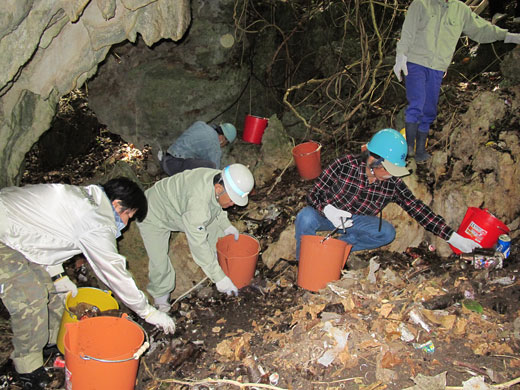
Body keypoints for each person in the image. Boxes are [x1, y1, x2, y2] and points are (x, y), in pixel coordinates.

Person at [0, 177, 175, 389]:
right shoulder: (95, 218)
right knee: (31, 299)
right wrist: (147, 311)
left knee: (52, 296)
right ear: (116, 204)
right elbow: (113, 271)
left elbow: (46, 235)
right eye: (128, 214)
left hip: (17, 232)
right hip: (4, 233)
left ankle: (47, 343)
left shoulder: (88, 199)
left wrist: (58, 277)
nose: (127, 222)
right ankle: (27, 367)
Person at [295, 128, 481, 259]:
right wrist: (329, 210)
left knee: (386, 233)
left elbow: (418, 209)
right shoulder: (344, 165)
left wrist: (453, 237)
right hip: (327, 215)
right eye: (388, 169)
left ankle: (338, 248)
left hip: (354, 221)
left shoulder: (392, 184)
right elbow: (314, 195)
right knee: (305, 217)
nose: (392, 175)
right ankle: (304, 260)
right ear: (374, 160)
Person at [393, 0, 520, 162]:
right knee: (417, 104)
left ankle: (420, 151)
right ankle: (409, 147)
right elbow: (408, 32)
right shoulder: (420, 4)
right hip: (415, 63)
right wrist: (401, 55)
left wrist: (508, 36)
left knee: (429, 109)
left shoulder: (460, 9)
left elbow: (480, 29)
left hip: (437, 67)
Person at [137, 164, 254, 312]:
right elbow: (198, 245)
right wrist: (218, 278)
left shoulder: (220, 179)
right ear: (218, 188)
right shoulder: (198, 204)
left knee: (217, 232)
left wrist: (225, 225)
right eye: (232, 200)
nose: (232, 205)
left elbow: (216, 206)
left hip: (179, 207)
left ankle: (223, 270)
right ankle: (161, 302)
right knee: (159, 262)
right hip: (152, 212)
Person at [159, 121, 237, 176]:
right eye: (225, 143)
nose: (222, 146)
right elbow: (214, 172)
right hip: (173, 166)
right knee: (211, 167)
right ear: (222, 138)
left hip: (167, 157)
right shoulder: (214, 144)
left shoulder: (200, 124)